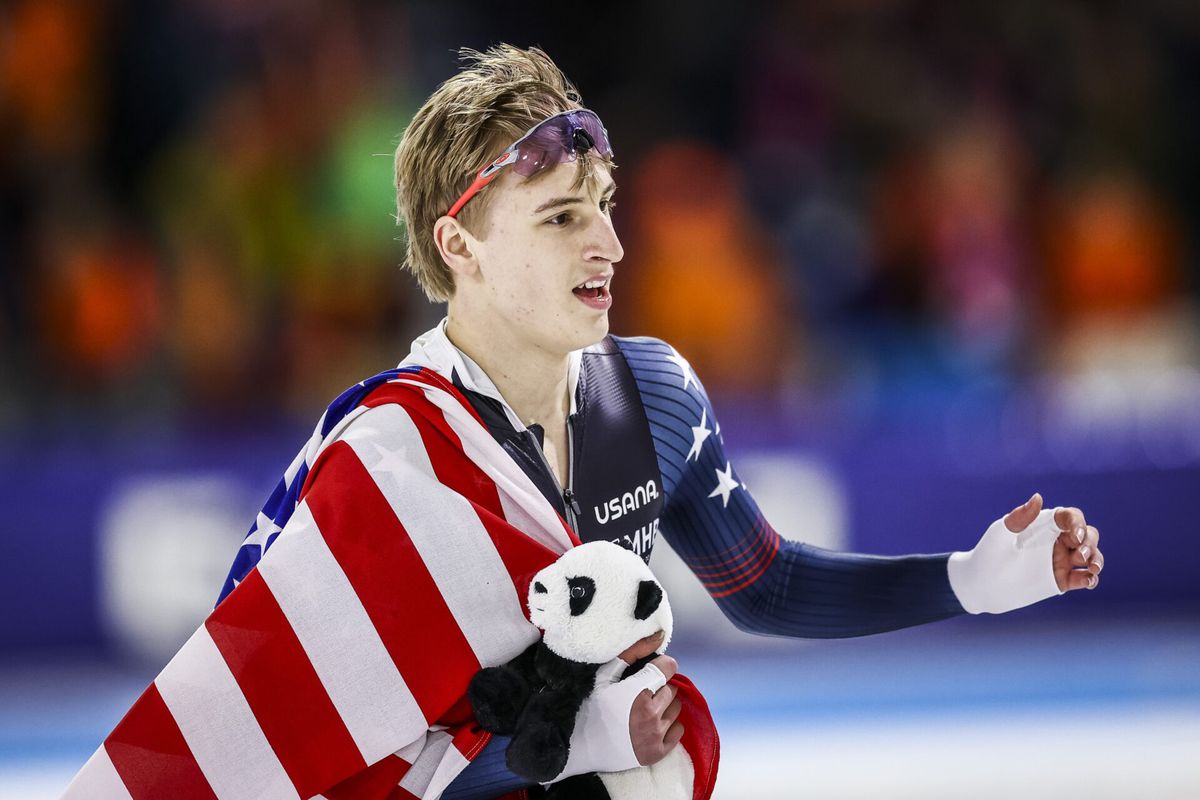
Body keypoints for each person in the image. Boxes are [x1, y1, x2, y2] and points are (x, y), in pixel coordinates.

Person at [64, 44, 1104, 800]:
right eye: (562, 215)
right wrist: (589, 737)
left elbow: (766, 583)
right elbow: (353, 771)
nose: (608, 240)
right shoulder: (385, 469)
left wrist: (972, 577)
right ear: (459, 245)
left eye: (604, 202)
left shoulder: (650, 398)